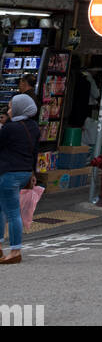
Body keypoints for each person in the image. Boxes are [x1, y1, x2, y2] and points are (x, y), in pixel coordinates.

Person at [0, 94, 40, 264]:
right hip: (24, 172)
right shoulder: (34, 127)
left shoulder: (10, 128)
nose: (9, 111)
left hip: (9, 173)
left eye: (10, 107)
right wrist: (32, 174)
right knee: (2, 209)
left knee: (12, 212)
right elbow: (34, 152)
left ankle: (15, 250)